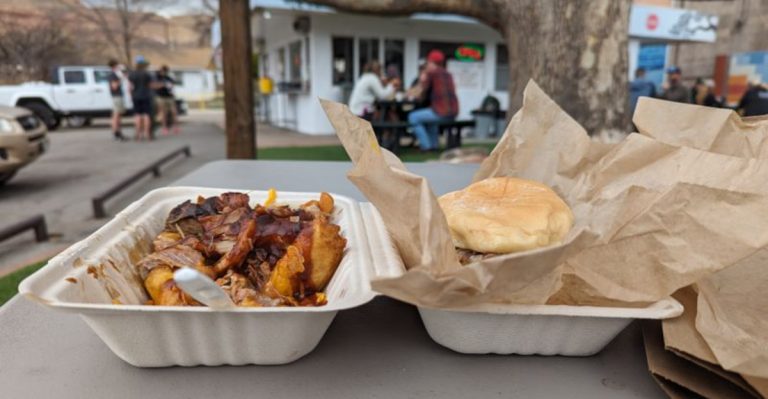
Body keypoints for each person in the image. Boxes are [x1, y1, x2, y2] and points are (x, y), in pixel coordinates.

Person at [407, 49, 458, 152]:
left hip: (442, 112)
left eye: (428, 62)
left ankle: (426, 147)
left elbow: (420, 92)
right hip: (453, 112)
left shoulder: (431, 73)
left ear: (431, 62)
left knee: (413, 117)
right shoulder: (448, 74)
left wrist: (422, 79)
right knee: (431, 119)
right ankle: (434, 146)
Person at [128, 55, 154, 141]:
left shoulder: (132, 74)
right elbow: (150, 85)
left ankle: (138, 135)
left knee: (137, 115)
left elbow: (130, 87)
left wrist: (131, 95)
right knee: (147, 115)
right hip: (146, 96)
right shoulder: (147, 74)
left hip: (136, 96)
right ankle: (147, 134)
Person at [154, 65, 179, 135]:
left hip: (170, 97)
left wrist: (171, 85)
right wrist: (163, 85)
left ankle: (176, 127)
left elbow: (173, 84)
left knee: (174, 112)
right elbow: (155, 86)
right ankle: (164, 128)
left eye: (165, 71)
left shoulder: (168, 77)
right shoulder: (157, 77)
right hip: (161, 97)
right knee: (163, 113)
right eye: (162, 71)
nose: (163, 72)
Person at [107, 59, 127, 141]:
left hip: (117, 96)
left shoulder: (115, 74)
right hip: (117, 96)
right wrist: (121, 79)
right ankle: (116, 133)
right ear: (115, 66)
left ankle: (118, 132)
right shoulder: (113, 75)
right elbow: (114, 86)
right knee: (116, 115)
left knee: (117, 115)